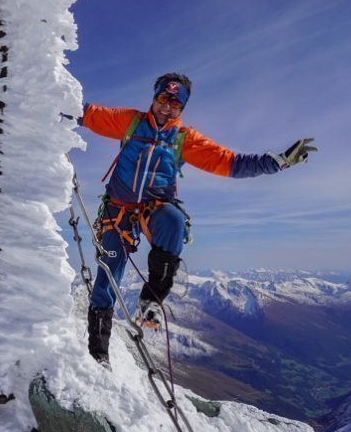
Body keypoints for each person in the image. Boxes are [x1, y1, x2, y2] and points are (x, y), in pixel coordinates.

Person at [80, 72, 316, 368]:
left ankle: (150, 302)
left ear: (182, 109)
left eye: (176, 104)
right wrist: (47, 93)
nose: (168, 108)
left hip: (155, 207)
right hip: (118, 210)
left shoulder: (183, 139)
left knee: (174, 222)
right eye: (164, 99)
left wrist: (277, 162)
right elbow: (87, 113)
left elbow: (229, 162)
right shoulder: (130, 122)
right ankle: (98, 351)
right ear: (154, 98)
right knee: (108, 273)